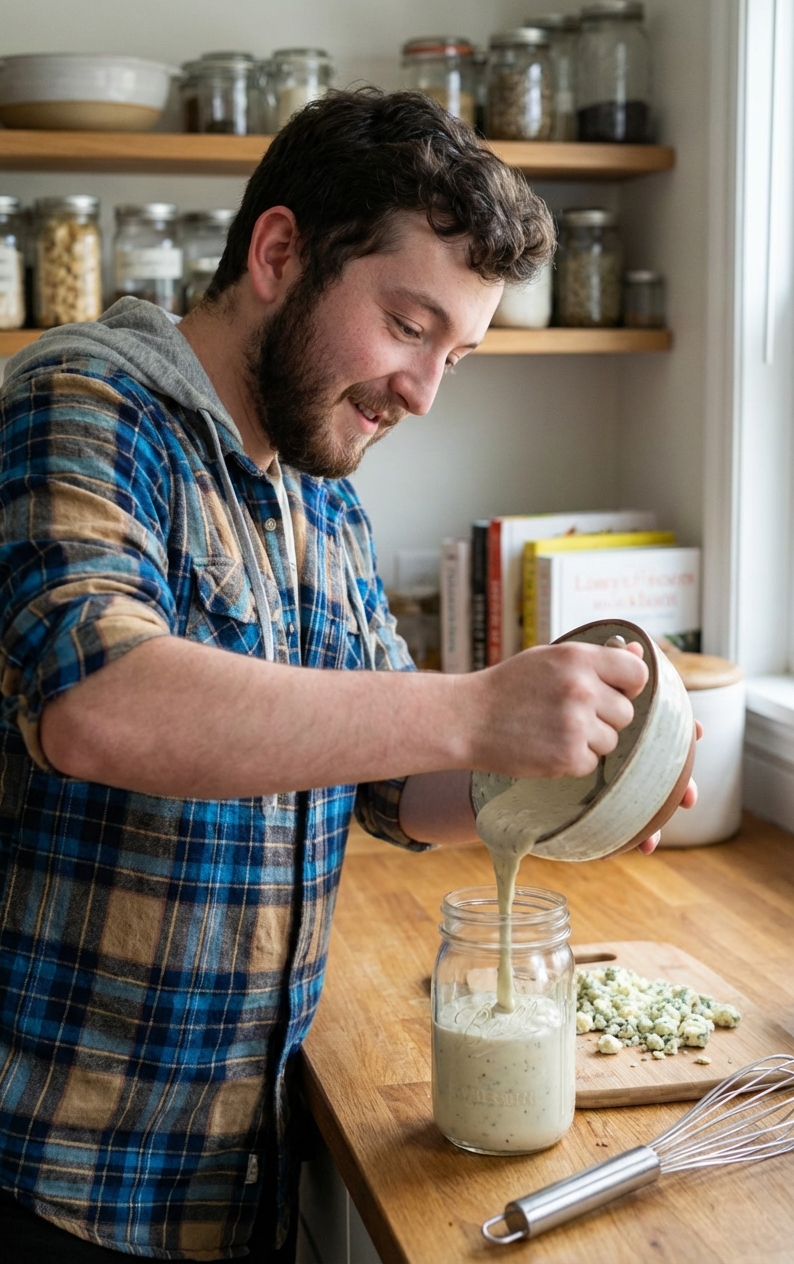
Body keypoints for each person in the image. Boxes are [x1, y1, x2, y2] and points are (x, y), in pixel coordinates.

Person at [0, 90, 695, 1261]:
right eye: (408, 326)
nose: (422, 392)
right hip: (60, 1170)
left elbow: (385, 778)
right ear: (279, 253)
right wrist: (475, 703)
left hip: (235, 1167)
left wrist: (568, 781)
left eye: (457, 354)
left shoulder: (322, 495)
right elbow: (99, 705)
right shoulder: (80, 405)